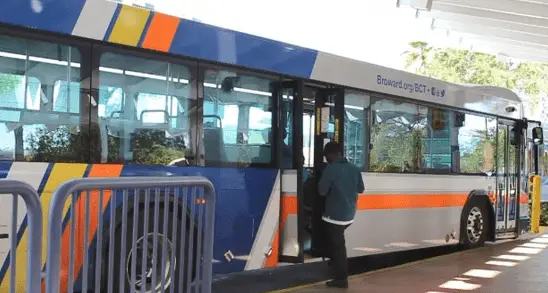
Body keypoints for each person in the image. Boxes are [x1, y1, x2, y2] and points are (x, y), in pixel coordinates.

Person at [318, 141, 364, 288]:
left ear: (333, 154)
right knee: (336, 243)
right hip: (349, 215)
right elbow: (361, 189)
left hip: (334, 217)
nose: (326, 159)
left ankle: (341, 278)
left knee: (338, 248)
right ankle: (334, 265)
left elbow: (321, 191)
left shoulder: (331, 169)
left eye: (327, 156)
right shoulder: (354, 168)